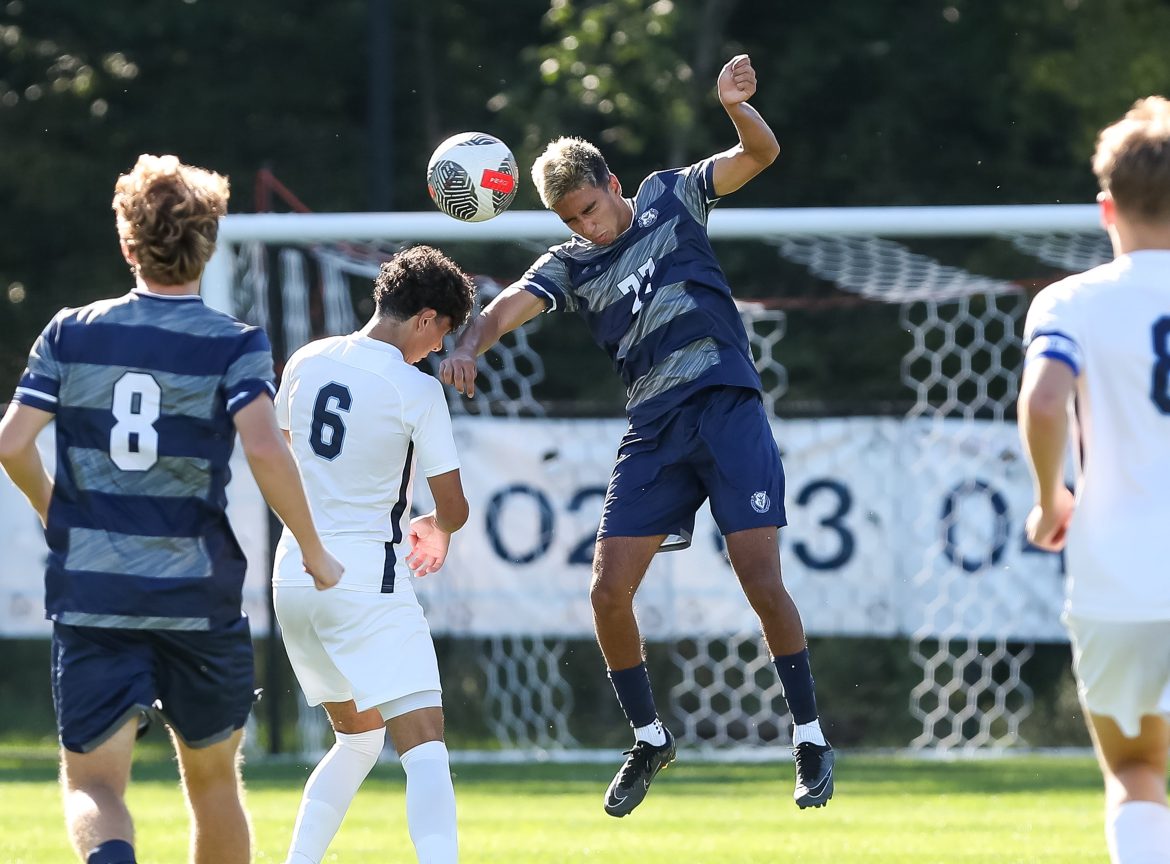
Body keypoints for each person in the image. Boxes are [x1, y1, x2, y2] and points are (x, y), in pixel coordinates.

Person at [439, 55, 833, 817]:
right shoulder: (570, 265)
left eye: (590, 208)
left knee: (760, 579)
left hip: (725, 406)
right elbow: (500, 311)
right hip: (655, 430)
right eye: (571, 220)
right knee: (607, 590)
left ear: (613, 182)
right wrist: (463, 347)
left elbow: (761, 156)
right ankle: (651, 737)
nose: (587, 226)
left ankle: (810, 734)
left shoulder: (671, 196)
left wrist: (735, 109)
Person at [0, 154, 343, 864]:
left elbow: (12, 444)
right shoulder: (233, 344)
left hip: (96, 594)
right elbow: (266, 452)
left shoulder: (72, 333)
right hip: (199, 595)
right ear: (208, 245)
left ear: (128, 245)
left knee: (94, 783)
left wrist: (54, 510)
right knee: (215, 784)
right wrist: (312, 547)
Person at [273, 245, 475, 864]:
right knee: (426, 747)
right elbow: (454, 507)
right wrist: (436, 527)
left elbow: (284, 463)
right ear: (425, 319)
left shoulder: (307, 359)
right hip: (367, 580)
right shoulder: (415, 389)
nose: (438, 349)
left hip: (295, 578)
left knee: (357, 740)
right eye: (442, 333)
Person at [1019, 96, 1170, 864]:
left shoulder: (1070, 301)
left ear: (1106, 206)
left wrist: (1051, 501)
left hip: (1118, 574)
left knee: (1138, 770)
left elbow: (1046, 398)